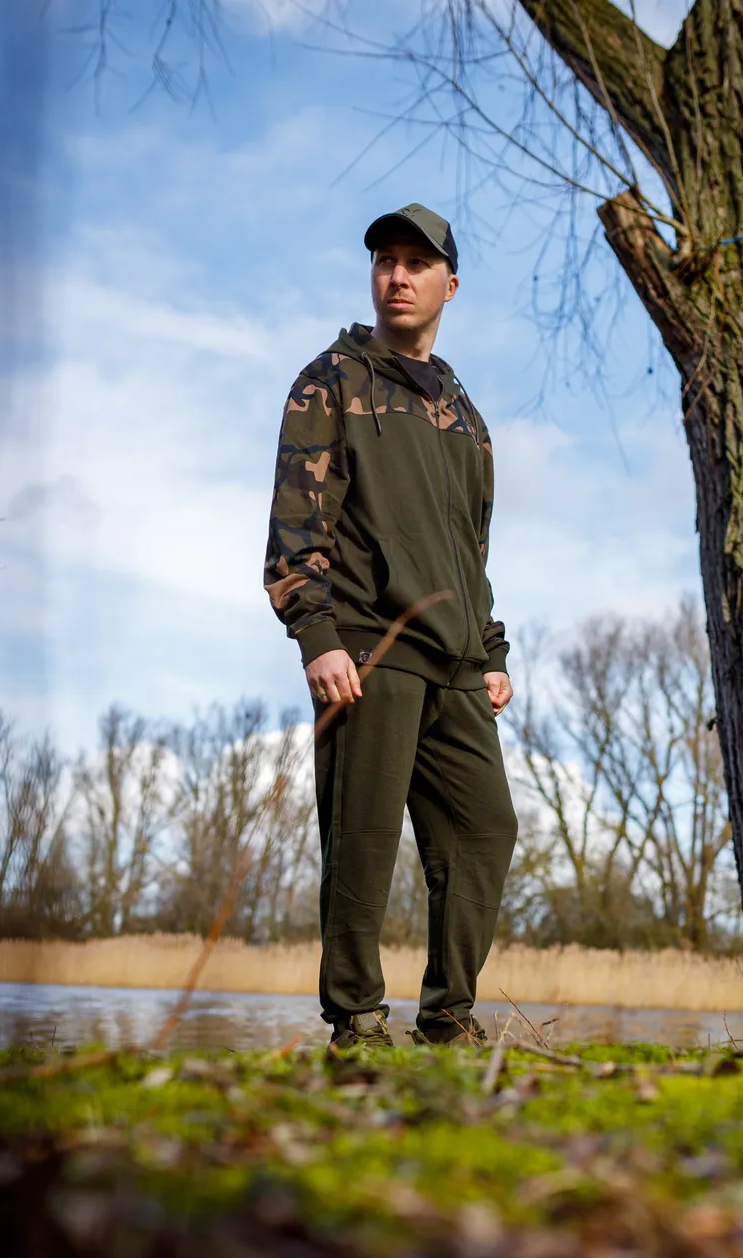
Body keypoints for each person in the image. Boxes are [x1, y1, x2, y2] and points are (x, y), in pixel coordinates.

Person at [263, 203, 518, 1050]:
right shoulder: (331, 378)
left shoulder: (464, 413)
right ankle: (358, 1020)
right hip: (368, 646)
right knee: (362, 840)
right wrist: (317, 633)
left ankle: (448, 1017)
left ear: (450, 283)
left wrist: (489, 650)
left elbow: (468, 548)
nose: (398, 276)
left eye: (416, 263)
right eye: (385, 262)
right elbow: (298, 526)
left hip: (453, 663)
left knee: (486, 828)